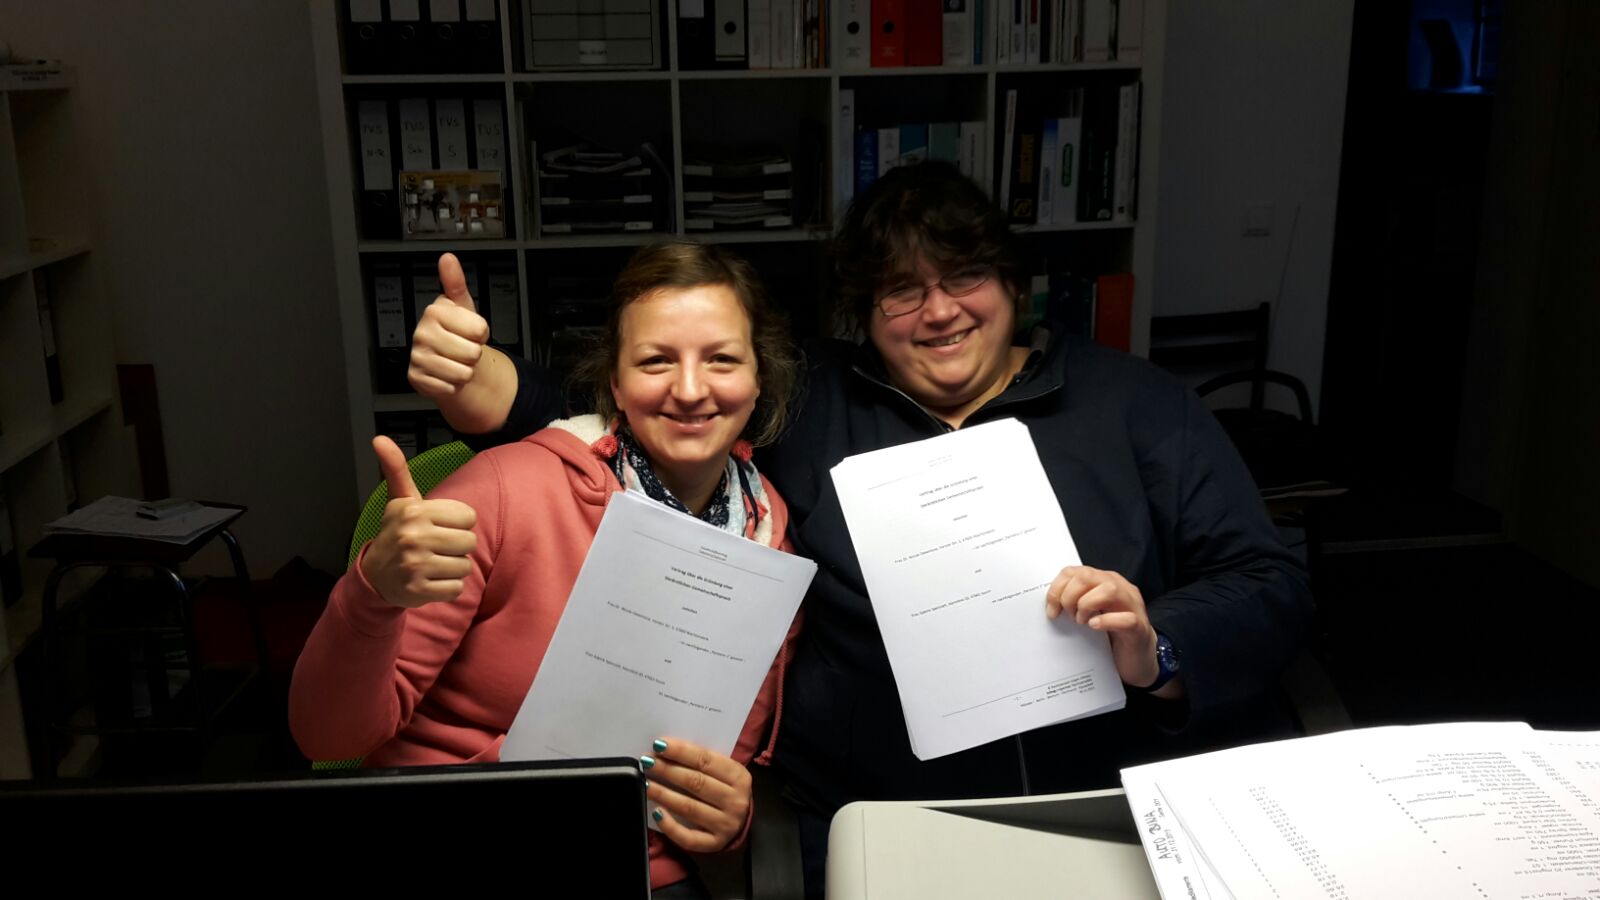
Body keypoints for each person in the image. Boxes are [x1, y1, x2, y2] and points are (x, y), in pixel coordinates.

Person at [408, 161, 1314, 895]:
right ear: (862, 312)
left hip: (1120, 804)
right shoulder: (808, 408)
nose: (940, 311)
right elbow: (650, 416)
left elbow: (1268, 582)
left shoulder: (1139, 404)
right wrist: (488, 385)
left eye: (965, 277)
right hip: (883, 820)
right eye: (901, 291)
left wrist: (1157, 648)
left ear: (1015, 283)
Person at [290, 241, 803, 898]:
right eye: (655, 360)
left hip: (637, 872)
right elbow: (327, 735)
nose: (690, 389)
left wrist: (729, 819)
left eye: (722, 359)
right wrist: (373, 595)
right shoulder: (507, 489)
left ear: (759, 380)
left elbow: (714, 773)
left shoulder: (770, 542)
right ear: (615, 384)